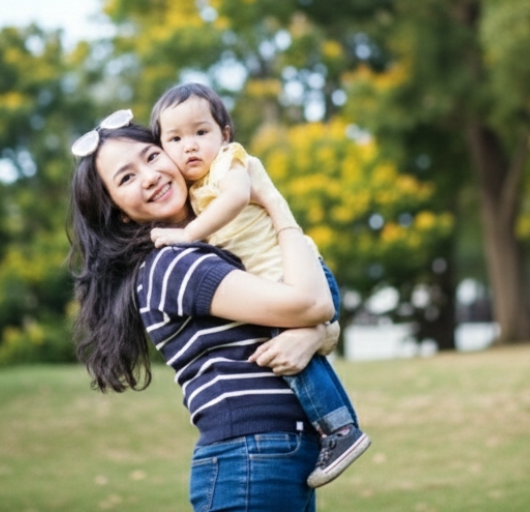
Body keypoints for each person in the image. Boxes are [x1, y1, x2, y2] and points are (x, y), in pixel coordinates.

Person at [68, 111, 340, 511]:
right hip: (250, 458)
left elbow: (315, 304)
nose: (149, 176)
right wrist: (272, 201)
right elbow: (312, 303)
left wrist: (316, 333)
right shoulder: (173, 266)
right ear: (120, 212)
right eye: (126, 178)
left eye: (152, 156)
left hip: (274, 455)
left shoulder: (215, 245)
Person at [148, 82, 369, 488]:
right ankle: (335, 428)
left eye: (201, 132)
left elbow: (236, 199)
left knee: (295, 361)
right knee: (289, 353)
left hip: (297, 277)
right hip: (283, 288)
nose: (190, 146)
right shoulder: (194, 192)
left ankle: (340, 429)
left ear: (225, 134)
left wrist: (188, 234)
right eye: (175, 139)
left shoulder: (229, 164)